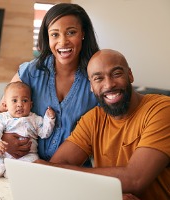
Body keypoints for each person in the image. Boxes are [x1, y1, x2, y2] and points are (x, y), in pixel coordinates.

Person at [36, 49, 170, 200]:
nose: (109, 84)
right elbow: (59, 164)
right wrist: (107, 194)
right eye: (98, 78)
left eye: (116, 74)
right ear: (91, 86)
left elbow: (135, 179)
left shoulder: (162, 109)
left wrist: (53, 170)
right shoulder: (93, 119)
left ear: (130, 75)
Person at [0, 3, 99, 162]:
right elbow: (1, 111)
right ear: (47, 37)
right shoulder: (30, 72)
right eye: (55, 34)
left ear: (83, 33)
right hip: (26, 165)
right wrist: (4, 138)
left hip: (73, 172)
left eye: (71, 32)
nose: (63, 42)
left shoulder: (96, 77)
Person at [0, 81, 56, 177]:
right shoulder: (1, 117)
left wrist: (49, 119)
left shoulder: (35, 119)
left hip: (27, 155)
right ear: (5, 105)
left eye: (24, 101)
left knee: (34, 162)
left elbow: (44, 133)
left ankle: (11, 172)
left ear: (31, 105)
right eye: (14, 101)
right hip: (4, 152)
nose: (20, 104)